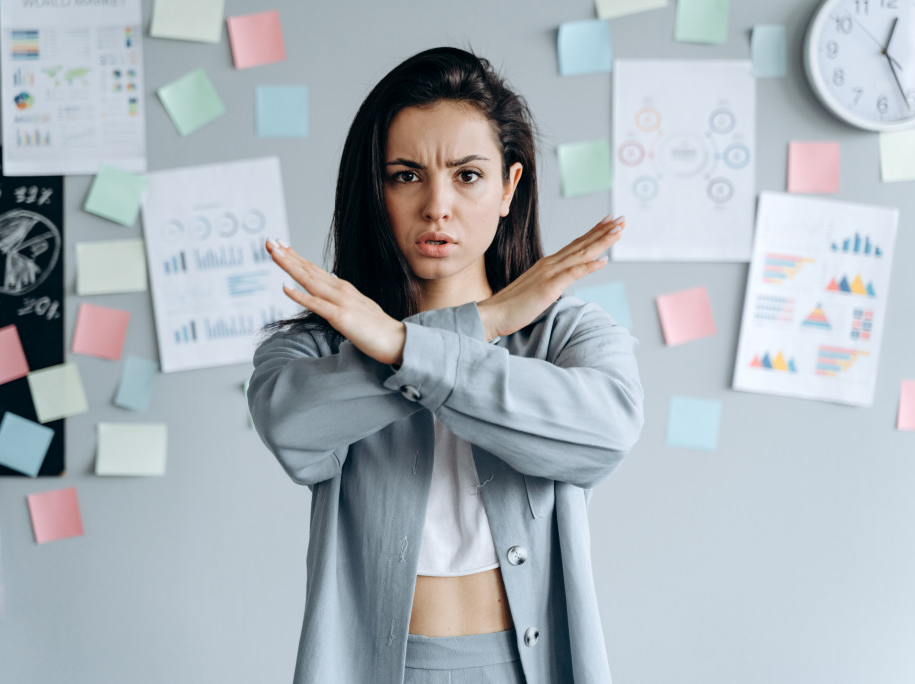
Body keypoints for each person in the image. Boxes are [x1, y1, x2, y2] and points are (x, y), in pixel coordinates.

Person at [247, 46, 644, 684]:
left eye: (467, 175)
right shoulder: (316, 349)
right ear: (375, 191)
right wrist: (481, 324)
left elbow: (604, 436)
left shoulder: (569, 335)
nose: (437, 206)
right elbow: (293, 431)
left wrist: (406, 347)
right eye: (406, 175)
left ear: (509, 187)